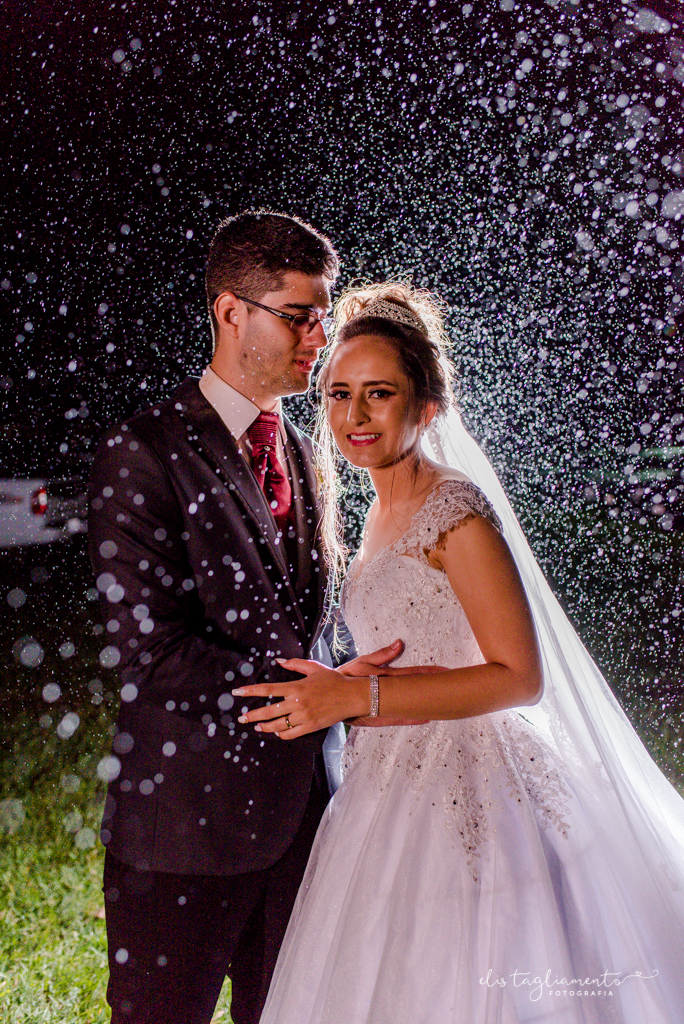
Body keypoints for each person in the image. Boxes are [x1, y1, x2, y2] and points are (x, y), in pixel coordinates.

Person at [234, 282, 684, 1023]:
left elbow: (519, 676)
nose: (355, 415)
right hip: (385, 781)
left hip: (475, 778)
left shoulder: (455, 511)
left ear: (427, 408)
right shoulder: (376, 510)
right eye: (340, 394)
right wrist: (349, 681)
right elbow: (409, 646)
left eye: (380, 394)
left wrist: (358, 700)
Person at [87, 212, 403, 1024]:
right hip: (184, 830)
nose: (319, 336)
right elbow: (149, 652)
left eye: (322, 316)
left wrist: (359, 674)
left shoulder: (304, 449)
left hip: (304, 829)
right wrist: (314, 689)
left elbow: (306, 619)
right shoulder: (145, 449)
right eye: (299, 315)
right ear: (232, 313)